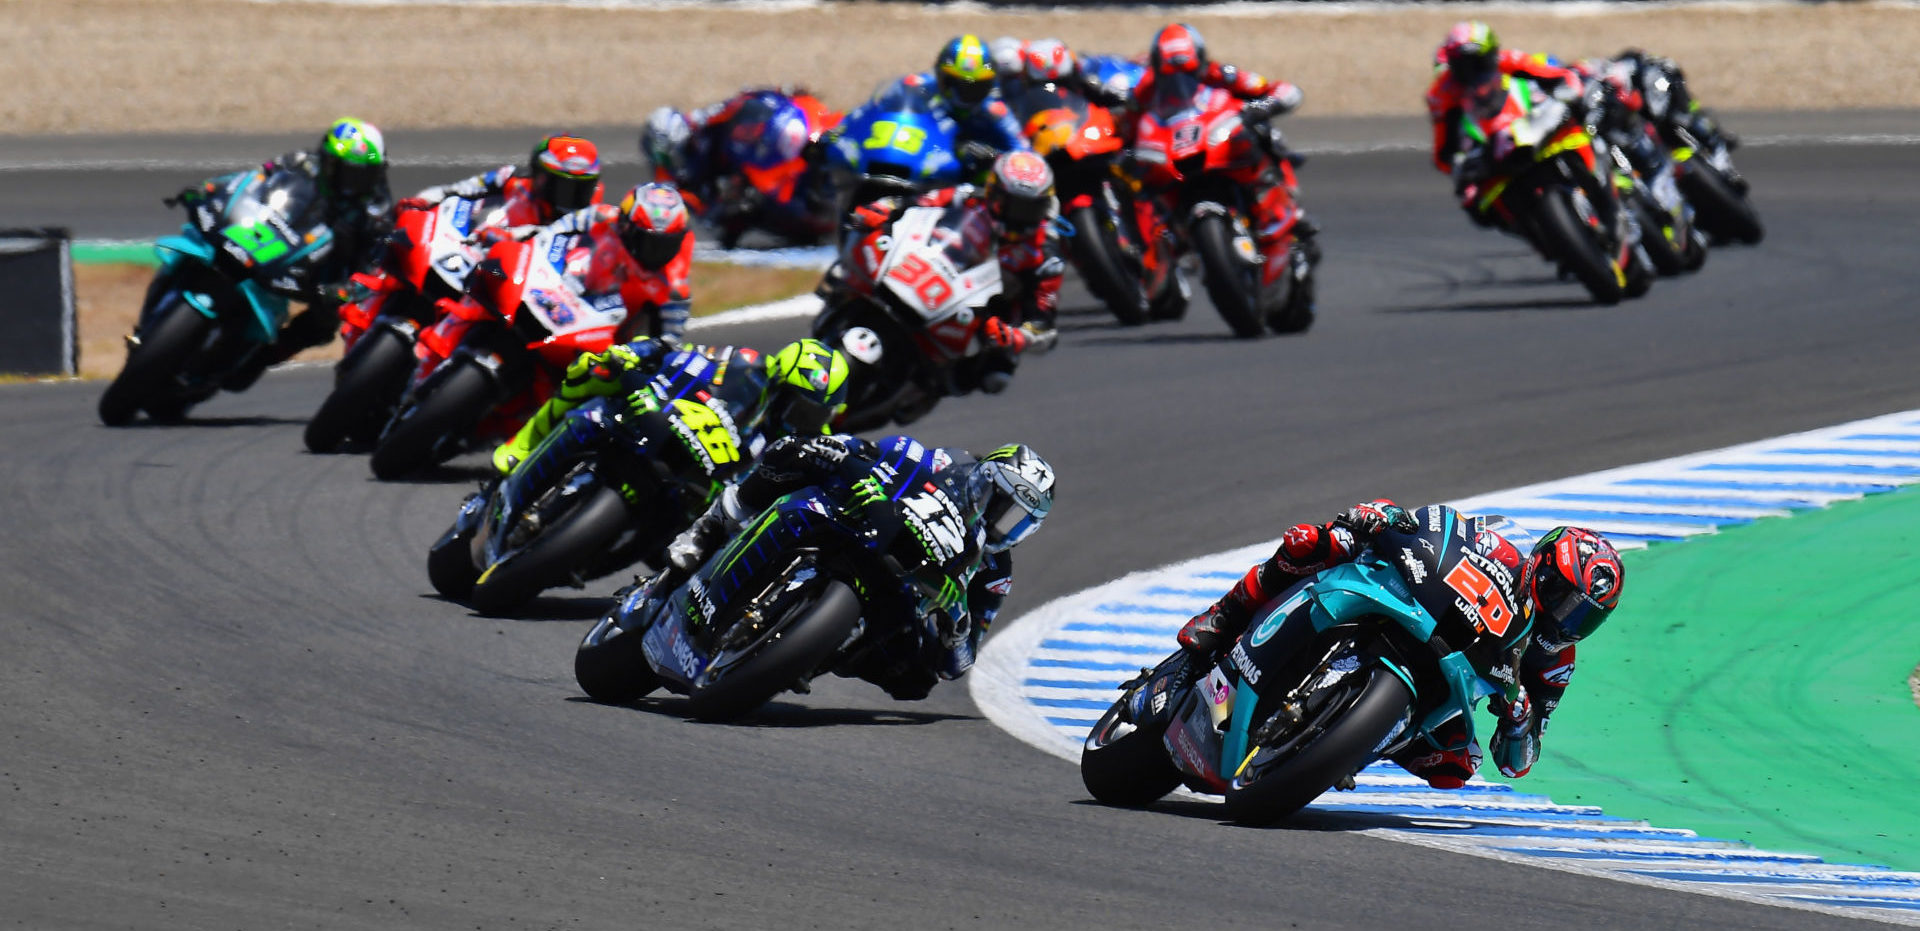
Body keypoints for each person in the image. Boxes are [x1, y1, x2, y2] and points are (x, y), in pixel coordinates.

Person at [1177, 499, 1624, 788]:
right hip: (1419, 608)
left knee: (1457, 766)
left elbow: (1517, 763)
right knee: (1318, 541)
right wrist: (1388, 516)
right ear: (1540, 566)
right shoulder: (1503, 548)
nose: (1567, 619)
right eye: (1563, 599)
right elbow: (1440, 528)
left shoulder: (1555, 663)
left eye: (1585, 616)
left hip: (1452, 685)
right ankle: (1225, 614)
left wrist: (1520, 719)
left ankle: (1350, 742)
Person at [655, 434, 1055, 700]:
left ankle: (814, 649)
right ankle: (709, 528)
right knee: (795, 453)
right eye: (1000, 504)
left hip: (900, 592)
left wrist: (957, 630)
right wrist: (842, 450)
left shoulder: (995, 572)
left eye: (1017, 520)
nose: (1002, 523)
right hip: (860, 521)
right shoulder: (939, 465)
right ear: (983, 481)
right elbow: (883, 449)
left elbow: (960, 663)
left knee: (916, 681)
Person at [166, 117, 393, 378]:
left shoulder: (377, 210)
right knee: (201, 235)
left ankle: (262, 357)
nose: (354, 182)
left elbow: (375, 266)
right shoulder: (301, 162)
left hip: (322, 270)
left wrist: (347, 288)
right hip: (270, 233)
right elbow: (255, 178)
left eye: (363, 175)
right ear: (328, 160)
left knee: (323, 321)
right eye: (348, 171)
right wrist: (212, 187)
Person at [828, 150, 1063, 393]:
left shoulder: (1045, 256)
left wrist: (1015, 336)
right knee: (858, 257)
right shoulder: (968, 197)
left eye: (1030, 209)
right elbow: (917, 202)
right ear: (994, 192)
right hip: (933, 272)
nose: (1019, 218)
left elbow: (1044, 328)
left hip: (985, 314)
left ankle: (925, 388)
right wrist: (882, 209)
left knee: (994, 377)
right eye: (1014, 206)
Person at [1112, 24, 1318, 277]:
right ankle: (1158, 247)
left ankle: (1287, 200)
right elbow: (1125, 129)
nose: (1179, 80)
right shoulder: (1144, 90)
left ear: (1199, 58)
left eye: (1187, 72)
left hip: (1223, 141)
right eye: (1170, 74)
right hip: (1175, 153)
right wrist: (1123, 152)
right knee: (1132, 180)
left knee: (1262, 131)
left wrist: (1263, 106)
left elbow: (1273, 89)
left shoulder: (1223, 74)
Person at [491, 336, 848, 476]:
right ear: (779, 385)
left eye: (819, 414)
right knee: (596, 369)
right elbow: (681, 351)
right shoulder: (744, 364)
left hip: (711, 492)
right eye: (802, 408)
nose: (806, 420)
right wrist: (635, 355)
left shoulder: (815, 442)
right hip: (675, 429)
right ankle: (524, 444)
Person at [493, 181, 695, 344]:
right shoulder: (601, 216)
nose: (656, 252)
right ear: (625, 225)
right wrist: (514, 238)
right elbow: (549, 234)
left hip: (603, 339)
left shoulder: (675, 287)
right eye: (647, 240)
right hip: (563, 290)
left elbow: (670, 341)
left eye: (666, 243)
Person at [823, 34, 1031, 181]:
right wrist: (838, 131)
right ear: (941, 77)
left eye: (976, 87)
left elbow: (1025, 155)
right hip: (904, 161)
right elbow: (868, 111)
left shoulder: (996, 112)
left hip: (957, 184)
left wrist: (993, 157)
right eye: (955, 85)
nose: (964, 96)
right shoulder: (916, 86)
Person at [397, 134, 604, 227]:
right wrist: (424, 201)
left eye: (581, 188)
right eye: (563, 187)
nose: (571, 197)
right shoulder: (512, 179)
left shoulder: (599, 214)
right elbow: (460, 189)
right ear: (539, 177)